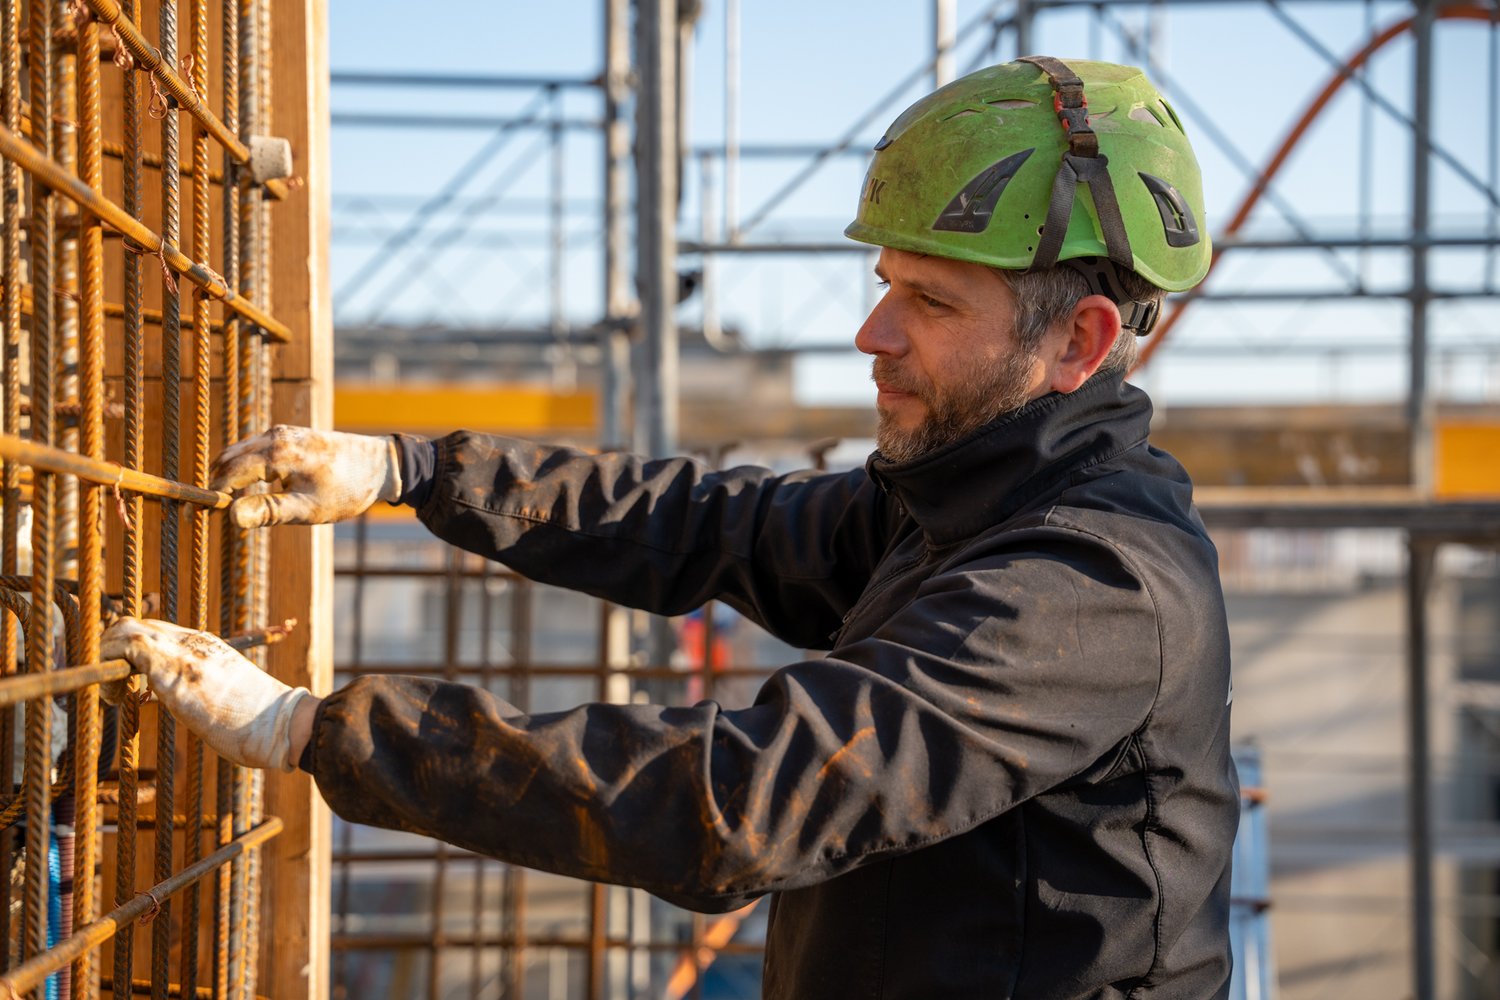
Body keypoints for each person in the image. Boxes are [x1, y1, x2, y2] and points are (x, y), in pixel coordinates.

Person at [103, 57, 1238, 998]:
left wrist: (319, 730)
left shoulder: (1089, 585)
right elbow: (712, 522)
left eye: (931, 303)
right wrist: (413, 472)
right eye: (887, 282)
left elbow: (743, 799)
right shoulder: (959, 501)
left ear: (1079, 341)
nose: (871, 332)